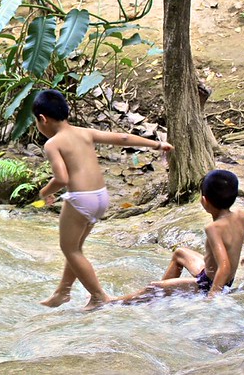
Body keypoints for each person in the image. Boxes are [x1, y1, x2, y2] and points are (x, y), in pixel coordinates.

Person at [32, 89, 175, 309]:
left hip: (81, 199)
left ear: (43, 119)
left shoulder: (52, 144)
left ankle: (98, 296)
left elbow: (61, 178)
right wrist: (156, 145)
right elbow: (123, 138)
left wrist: (45, 192)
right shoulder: (84, 132)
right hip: (101, 197)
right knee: (76, 247)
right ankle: (63, 291)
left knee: (69, 249)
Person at [117, 170, 244, 303]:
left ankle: (114, 302)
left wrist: (212, 298)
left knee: (152, 288)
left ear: (204, 200)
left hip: (208, 284)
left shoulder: (213, 228)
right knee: (180, 253)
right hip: (214, 275)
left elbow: (224, 267)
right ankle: (165, 298)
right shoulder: (240, 216)